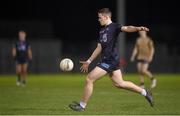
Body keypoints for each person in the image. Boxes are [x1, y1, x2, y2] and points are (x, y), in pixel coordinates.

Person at [69, 8, 153, 111]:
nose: (98, 19)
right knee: (120, 84)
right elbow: (99, 48)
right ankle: (145, 92)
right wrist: (89, 61)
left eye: (100, 18)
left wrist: (138, 28)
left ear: (106, 17)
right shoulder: (102, 30)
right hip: (108, 60)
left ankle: (82, 106)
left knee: (89, 79)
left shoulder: (114, 27)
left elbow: (127, 28)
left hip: (110, 61)